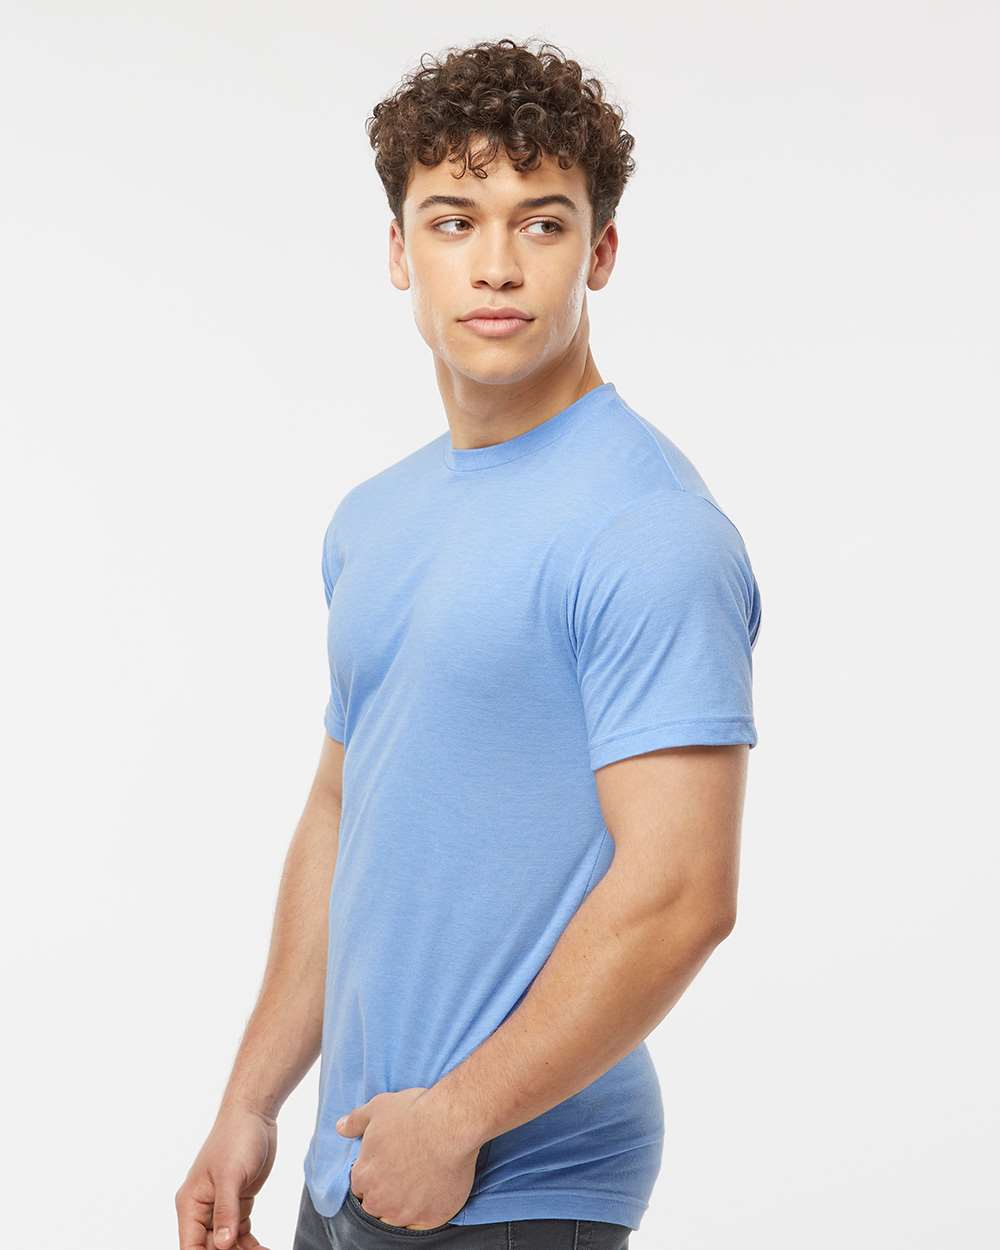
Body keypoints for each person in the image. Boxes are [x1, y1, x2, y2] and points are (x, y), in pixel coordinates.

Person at [175, 36, 762, 1250]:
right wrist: (252, 1099)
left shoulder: (647, 525)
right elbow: (343, 810)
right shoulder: (375, 518)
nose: (495, 264)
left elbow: (681, 893)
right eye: (453, 221)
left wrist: (458, 1117)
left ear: (600, 252)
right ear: (400, 250)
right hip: (359, 1161)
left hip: (520, 1170)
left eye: (541, 224)